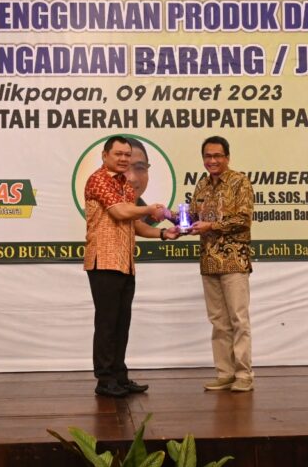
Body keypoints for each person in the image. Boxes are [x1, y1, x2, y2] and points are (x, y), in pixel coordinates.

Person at [84, 135, 169, 398]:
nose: (123, 159)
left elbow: (136, 226)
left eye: (127, 155)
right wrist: (151, 209)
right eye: (118, 154)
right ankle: (104, 379)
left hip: (125, 262)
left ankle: (119, 376)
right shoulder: (98, 179)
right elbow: (120, 212)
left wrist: (164, 233)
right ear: (105, 155)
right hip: (103, 261)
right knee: (107, 322)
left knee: (122, 323)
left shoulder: (126, 186)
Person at [188, 136, 255, 392]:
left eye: (217, 156)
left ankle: (244, 375)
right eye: (208, 156)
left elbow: (243, 219)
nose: (212, 160)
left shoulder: (240, 182)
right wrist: (170, 216)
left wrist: (211, 225)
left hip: (234, 261)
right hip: (209, 261)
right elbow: (192, 217)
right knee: (218, 322)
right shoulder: (202, 185)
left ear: (227, 157)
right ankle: (225, 373)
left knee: (239, 320)